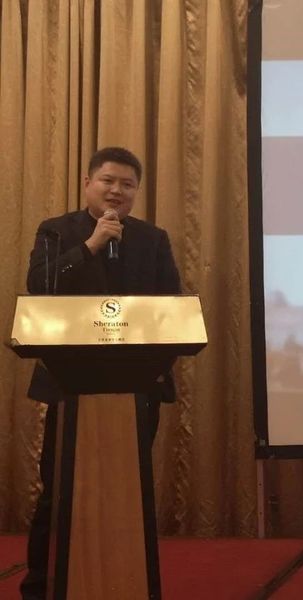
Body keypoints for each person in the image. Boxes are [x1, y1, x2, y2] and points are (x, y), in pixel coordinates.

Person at [20, 147, 180, 600]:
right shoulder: (57, 231)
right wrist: (90, 246)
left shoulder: (152, 239)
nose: (116, 191)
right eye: (108, 181)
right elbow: (40, 286)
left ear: (136, 192)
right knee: (59, 491)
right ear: (88, 183)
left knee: (127, 491)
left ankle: (126, 582)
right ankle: (41, 587)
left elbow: (171, 309)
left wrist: (154, 366)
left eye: (127, 185)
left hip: (137, 385)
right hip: (70, 384)